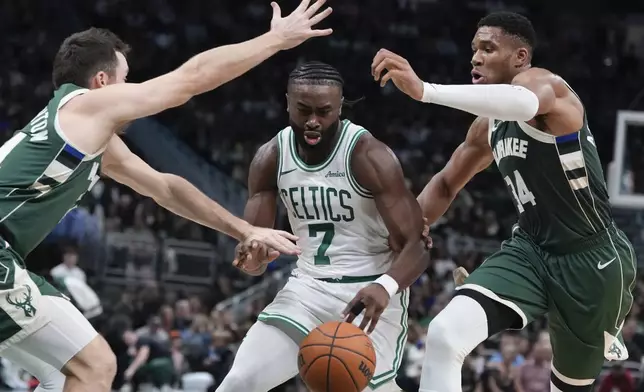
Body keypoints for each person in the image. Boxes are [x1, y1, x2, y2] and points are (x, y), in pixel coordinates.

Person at [0, 1, 333, 391]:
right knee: (95, 365)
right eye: (127, 79)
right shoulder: (86, 106)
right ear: (104, 81)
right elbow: (189, 80)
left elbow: (165, 188)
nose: (132, 90)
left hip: (10, 259)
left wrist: (243, 230)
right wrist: (275, 40)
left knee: (65, 375)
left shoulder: (85, 135)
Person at [371, 11, 637, 392]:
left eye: (487, 48)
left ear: (520, 57)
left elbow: (526, 103)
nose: (475, 58)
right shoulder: (487, 126)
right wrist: (404, 232)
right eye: (473, 49)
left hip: (591, 259)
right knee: (445, 334)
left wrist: (425, 90)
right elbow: (446, 184)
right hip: (529, 249)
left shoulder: (547, 86)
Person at [218, 61, 429, 392]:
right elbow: (255, 256)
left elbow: (416, 247)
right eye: (303, 110)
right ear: (287, 102)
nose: (313, 121)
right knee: (238, 383)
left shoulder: (368, 154)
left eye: (324, 111)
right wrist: (254, 259)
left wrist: (385, 287)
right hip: (307, 289)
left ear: (340, 107)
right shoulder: (271, 157)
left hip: (368, 295)